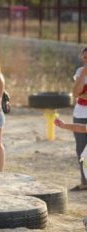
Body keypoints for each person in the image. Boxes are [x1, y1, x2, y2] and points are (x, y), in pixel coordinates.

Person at [70, 46, 87, 191]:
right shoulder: (80, 72)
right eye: (85, 58)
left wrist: (80, 94)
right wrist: (84, 72)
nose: (86, 61)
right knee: (81, 150)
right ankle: (84, 181)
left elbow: (78, 93)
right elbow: (75, 91)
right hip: (80, 115)